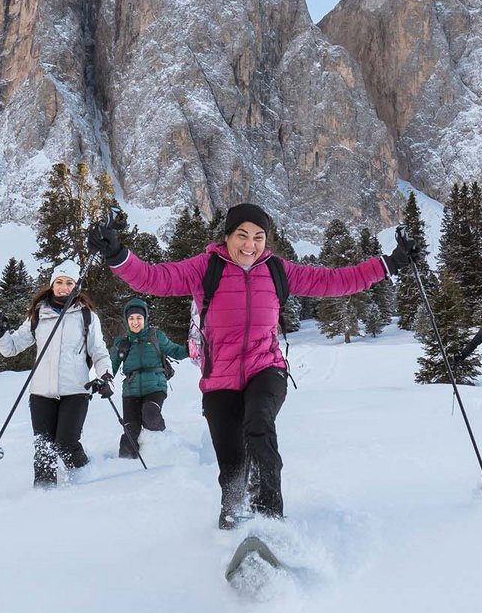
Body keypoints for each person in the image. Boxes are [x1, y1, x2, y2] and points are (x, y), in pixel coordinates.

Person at [86, 203, 415, 529]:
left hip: (266, 369)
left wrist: (390, 264)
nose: (250, 244)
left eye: (259, 237)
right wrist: (117, 254)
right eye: (242, 235)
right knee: (232, 464)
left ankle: (269, 518)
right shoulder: (206, 268)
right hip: (219, 381)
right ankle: (232, 517)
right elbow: (155, 279)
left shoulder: (277, 270)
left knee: (259, 426)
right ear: (227, 236)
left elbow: (335, 281)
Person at [0, 261, 112, 487]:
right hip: (41, 392)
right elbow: (12, 348)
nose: (64, 287)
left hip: (76, 390)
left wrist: (106, 376)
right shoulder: (38, 314)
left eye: (69, 283)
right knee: (43, 448)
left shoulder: (87, 316)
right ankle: (43, 496)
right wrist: (0, 335)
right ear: (52, 284)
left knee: (66, 444)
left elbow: (99, 352)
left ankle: (87, 481)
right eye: (60, 282)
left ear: (77, 286)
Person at [108, 297, 188, 459]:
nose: (135, 322)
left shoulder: (156, 336)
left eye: (139, 318)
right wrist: (103, 381)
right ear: (126, 320)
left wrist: (192, 348)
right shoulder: (121, 343)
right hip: (130, 390)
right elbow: (110, 367)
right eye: (131, 318)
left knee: (150, 413)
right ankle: (123, 466)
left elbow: (176, 352)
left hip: (155, 386)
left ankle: (163, 442)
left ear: (145, 318)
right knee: (130, 430)